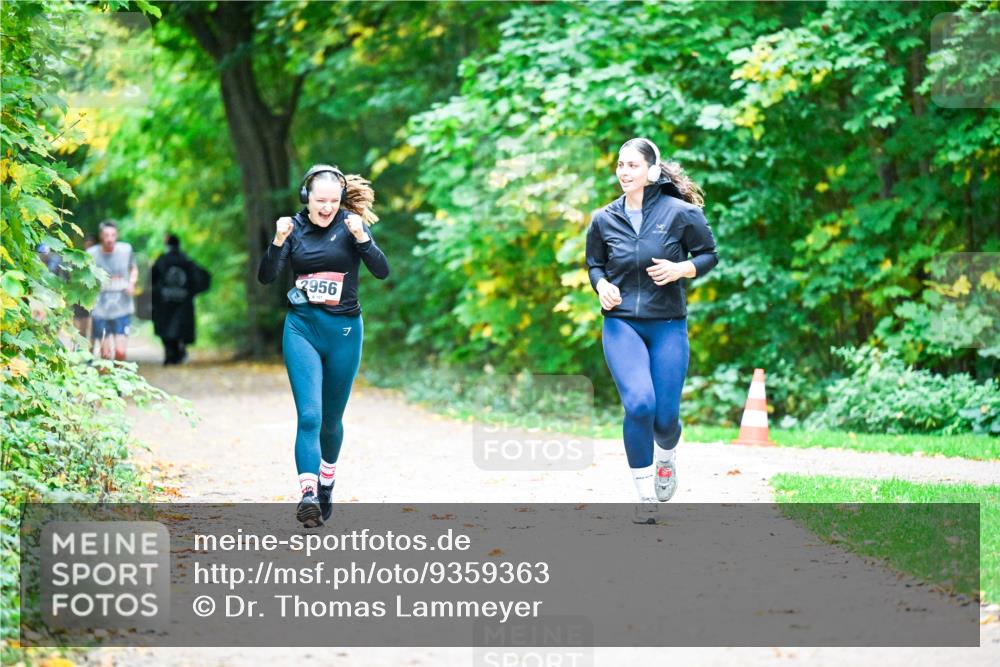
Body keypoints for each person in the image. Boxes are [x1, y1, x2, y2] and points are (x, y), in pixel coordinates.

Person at [585, 138, 719, 524]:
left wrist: (681, 269)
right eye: (620, 165)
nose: (624, 172)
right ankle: (645, 496)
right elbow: (595, 264)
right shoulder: (603, 219)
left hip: (668, 325)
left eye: (632, 165)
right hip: (621, 322)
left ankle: (666, 458)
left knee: (665, 419)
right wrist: (601, 285)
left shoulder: (682, 214)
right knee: (639, 404)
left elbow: (709, 255)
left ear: (652, 171)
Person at [258, 164, 389, 528]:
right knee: (310, 417)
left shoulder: (351, 226)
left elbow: (382, 271)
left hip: (345, 332)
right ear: (306, 197)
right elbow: (266, 276)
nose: (327, 207)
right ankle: (308, 494)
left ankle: (326, 481)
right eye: (320, 201)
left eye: (333, 201)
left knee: (331, 421)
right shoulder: (293, 228)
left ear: (340, 198)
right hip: (302, 328)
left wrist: (363, 239)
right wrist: (278, 241)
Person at [151, 234, 211, 365]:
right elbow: (201, 277)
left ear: (167, 245)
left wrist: (156, 294)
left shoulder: (162, 260)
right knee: (181, 329)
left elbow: (151, 279)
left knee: (165, 329)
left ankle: (170, 353)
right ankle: (178, 351)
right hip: (183, 302)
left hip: (164, 303)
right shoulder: (186, 260)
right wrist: (191, 291)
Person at [87, 220, 138, 361]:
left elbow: (133, 268)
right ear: (101, 236)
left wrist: (132, 283)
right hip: (100, 309)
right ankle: (105, 375)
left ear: (117, 235)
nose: (110, 239)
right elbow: (84, 277)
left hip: (122, 307)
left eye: (113, 235)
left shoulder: (126, 250)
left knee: (120, 352)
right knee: (105, 354)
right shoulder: (91, 254)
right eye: (106, 235)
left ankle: (119, 373)